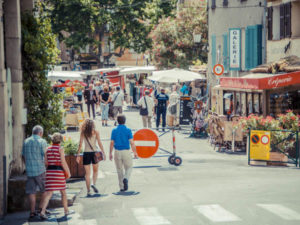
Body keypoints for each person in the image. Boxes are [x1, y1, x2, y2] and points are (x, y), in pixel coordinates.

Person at [39, 133, 74, 219]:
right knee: (63, 192)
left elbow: (46, 163)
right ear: (60, 141)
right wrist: (68, 172)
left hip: (49, 172)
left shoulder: (47, 149)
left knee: (48, 193)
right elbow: (63, 162)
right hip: (58, 172)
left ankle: (42, 212)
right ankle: (66, 210)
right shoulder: (60, 149)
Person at [22, 125, 48, 220]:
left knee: (31, 192)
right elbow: (46, 157)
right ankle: (41, 209)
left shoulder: (26, 141)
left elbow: (23, 156)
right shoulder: (42, 141)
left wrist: (27, 165)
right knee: (45, 190)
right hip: (40, 170)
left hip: (29, 171)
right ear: (40, 133)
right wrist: (47, 166)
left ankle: (32, 212)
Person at [76, 119, 106, 196]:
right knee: (95, 171)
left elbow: (80, 144)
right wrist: (103, 152)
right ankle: (93, 183)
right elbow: (99, 142)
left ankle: (88, 190)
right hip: (94, 153)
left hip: (86, 153)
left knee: (87, 174)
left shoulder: (83, 132)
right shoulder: (96, 132)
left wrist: (78, 155)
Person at [109, 115, 138, 192]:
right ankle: (126, 178)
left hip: (117, 151)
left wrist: (110, 153)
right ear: (125, 121)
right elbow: (132, 142)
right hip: (126, 151)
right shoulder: (128, 130)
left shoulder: (114, 130)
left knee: (119, 169)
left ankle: (121, 187)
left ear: (117, 121)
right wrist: (135, 152)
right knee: (129, 167)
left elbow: (112, 143)